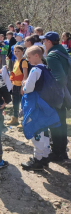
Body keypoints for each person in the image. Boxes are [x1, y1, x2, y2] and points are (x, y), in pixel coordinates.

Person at [21, 46, 53, 170]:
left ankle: (37, 160)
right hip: (46, 104)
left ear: (36, 56)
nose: (27, 59)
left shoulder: (35, 70)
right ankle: (45, 156)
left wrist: (24, 85)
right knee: (45, 130)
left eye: (29, 57)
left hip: (36, 105)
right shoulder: (46, 68)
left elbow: (28, 88)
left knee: (36, 131)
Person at [41, 32, 70, 161]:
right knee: (61, 123)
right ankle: (62, 151)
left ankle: (58, 152)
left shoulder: (52, 56)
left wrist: (49, 93)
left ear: (49, 42)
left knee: (56, 123)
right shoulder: (62, 51)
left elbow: (60, 77)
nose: (43, 43)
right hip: (65, 94)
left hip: (58, 95)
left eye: (44, 41)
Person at [8, 46, 28, 126]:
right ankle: (15, 118)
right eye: (15, 51)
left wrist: (23, 87)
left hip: (20, 86)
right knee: (15, 103)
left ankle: (24, 121)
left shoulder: (23, 62)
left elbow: (25, 75)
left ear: (22, 52)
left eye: (18, 51)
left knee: (23, 104)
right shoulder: (16, 61)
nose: (16, 53)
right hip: (15, 85)